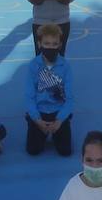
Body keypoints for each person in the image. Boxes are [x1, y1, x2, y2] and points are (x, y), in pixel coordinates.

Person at [24, 24, 74, 157]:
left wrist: (59, 120)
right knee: (33, 150)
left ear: (60, 45)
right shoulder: (33, 66)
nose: (50, 47)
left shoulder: (65, 66)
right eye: (46, 43)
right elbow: (29, 97)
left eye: (54, 44)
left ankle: (57, 132)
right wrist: (36, 119)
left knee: (65, 151)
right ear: (39, 44)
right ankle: (39, 130)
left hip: (58, 113)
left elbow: (69, 99)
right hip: (39, 114)